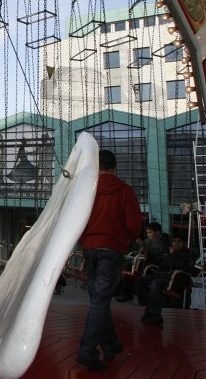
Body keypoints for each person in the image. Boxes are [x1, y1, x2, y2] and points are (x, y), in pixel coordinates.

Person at [76, 150, 143, 372]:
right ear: (115, 166)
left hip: (90, 247)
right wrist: (131, 238)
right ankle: (87, 351)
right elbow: (134, 224)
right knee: (100, 300)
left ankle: (111, 343)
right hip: (113, 248)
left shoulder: (87, 190)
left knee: (98, 298)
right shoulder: (125, 191)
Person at [137, 235, 197, 325]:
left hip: (176, 280)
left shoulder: (187, 255)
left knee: (156, 283)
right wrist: (147, 252)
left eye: (179, 241)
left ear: (184, 244)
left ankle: (155, 313)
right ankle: (147, 307)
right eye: (174, 241)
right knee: (141, 280)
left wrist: (174, 254)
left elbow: (183, 266)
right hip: (163, 276)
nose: (176, 243)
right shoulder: (167, 252)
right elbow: (158, 261)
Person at [115, 221, 168, 303]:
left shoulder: (157, 241)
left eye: (150, 232)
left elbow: (155, 252)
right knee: (124, 263)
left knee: (127, 266)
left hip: (150, 263)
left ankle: (126, 293)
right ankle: (121, 290)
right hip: (143, 260)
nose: (148, 234)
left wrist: (142, 244)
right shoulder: (150, 240)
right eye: (147, 233)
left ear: (157, 232)